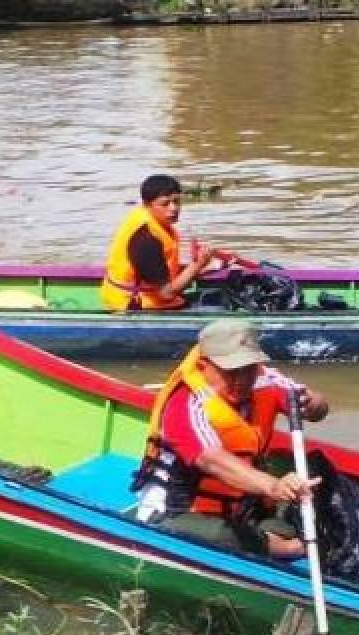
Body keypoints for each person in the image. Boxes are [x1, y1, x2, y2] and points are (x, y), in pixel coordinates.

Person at [132, 318, 329, 558]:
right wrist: (274, 486)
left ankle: (268, 537)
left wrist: (312, 404)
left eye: (248, 369)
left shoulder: (264, 378)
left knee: (307, 493)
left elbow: (319, 407)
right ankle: (285, 548)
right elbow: (212, 460)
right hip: (175, 513)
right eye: (231, 372)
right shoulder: (186, 404)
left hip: (239, 509)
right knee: (223, 536)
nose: (242, 380)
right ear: (205, 365)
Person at [101, 174, 218, 311]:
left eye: (176, 201)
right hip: (134, 306)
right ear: (147, 205)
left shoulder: (155, 222)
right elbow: (166, 294)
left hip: (154, 296)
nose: (174, 208)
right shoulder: (146, 239)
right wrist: (196, 266)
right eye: (165, 204)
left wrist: (196, 266)